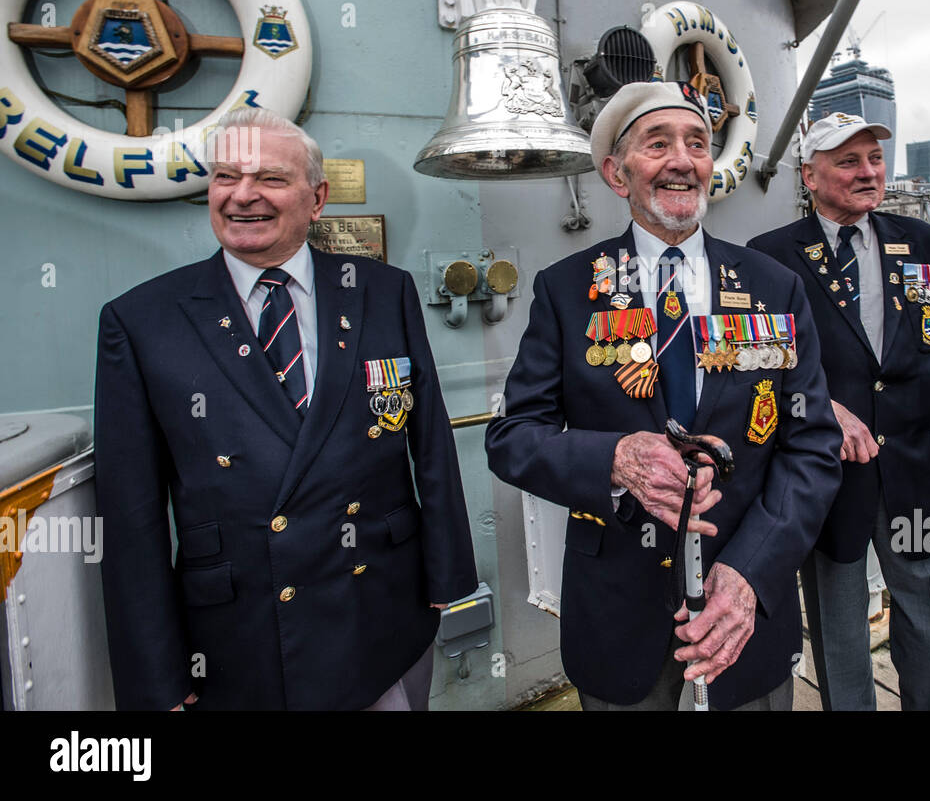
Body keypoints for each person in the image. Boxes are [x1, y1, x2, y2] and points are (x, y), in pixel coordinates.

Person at [94, 108, 477, 710]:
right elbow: (130, 517)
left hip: (383, 612)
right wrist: (157, 679)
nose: (243, 196)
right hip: (240, 637)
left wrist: (449, 576)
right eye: (226, 178)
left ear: (317, 198)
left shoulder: (383, 291)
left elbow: (429, 444)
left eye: (270, 178)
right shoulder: (142, 322)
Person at [485, 81, 842, 711]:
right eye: (658, 144)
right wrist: (614, 458)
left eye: (698, 143)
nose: (682, 159)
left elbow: (811, 445)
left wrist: (750, 570)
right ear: (617, 174)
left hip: (745, 604)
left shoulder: (774, 287)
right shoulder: (567, 291)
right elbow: (513, 436)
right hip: (619, 606)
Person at [748, 112, 930, 711]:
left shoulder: (926, 244)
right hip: (826, 473)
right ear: (810, 175)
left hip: (922, 466)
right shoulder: (767, 258)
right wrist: (822, 405)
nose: (868, 172)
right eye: (849, 162)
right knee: (840, 631)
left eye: (875, 160)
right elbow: (757, 368)